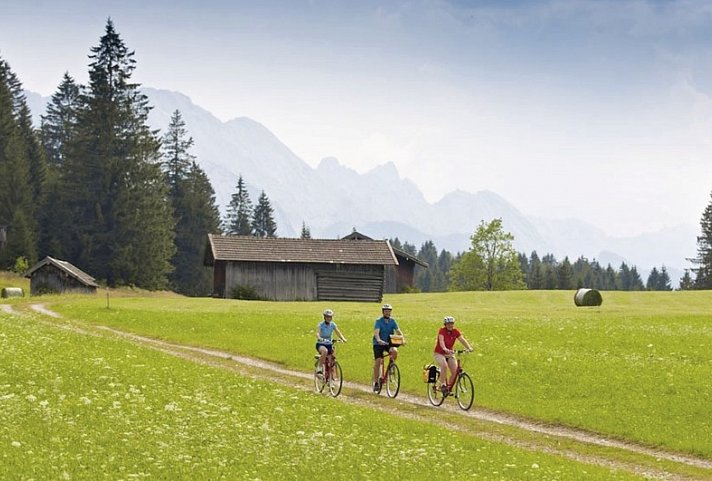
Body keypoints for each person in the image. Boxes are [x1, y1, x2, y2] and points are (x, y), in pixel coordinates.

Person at [433, 316, 473, 394]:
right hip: (439, 353)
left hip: (450, 353)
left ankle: (448, 388)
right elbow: (441, 341)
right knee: (444, 366)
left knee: (455, 372)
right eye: (448, 324)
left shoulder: (455, 331)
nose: (450, 325)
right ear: (445, 324)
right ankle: (442, 385)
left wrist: (469, 348)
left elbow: (462, 340)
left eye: (451, 323)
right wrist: (444, 348)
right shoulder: (442, 331)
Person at [372, 303, 405, 392]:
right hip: (378, 343)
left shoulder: (392, 321)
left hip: (388, 342)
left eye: (389, 311)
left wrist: (402, 339)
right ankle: (376, 382)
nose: (387, 313)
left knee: (394, 351)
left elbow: (398, 331)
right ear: (383, 312)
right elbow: (376, 332)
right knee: (378, 361)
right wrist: (378, 340)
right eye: (386, 311)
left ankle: (391, 366)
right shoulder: (379, 321)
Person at [315, 308, 347, 375]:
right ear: (324, 317)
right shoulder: (321, 325)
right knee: (325, 351)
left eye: (330, 317)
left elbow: (338, 332)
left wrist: (343, 338)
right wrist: (320, 338)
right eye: (327, 317)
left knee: (331, 360)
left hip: (329, 344)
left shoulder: (333, 325)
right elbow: (317, 333)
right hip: (321, 344)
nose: (329, 318)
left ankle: (331, 378)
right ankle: (319, 367)